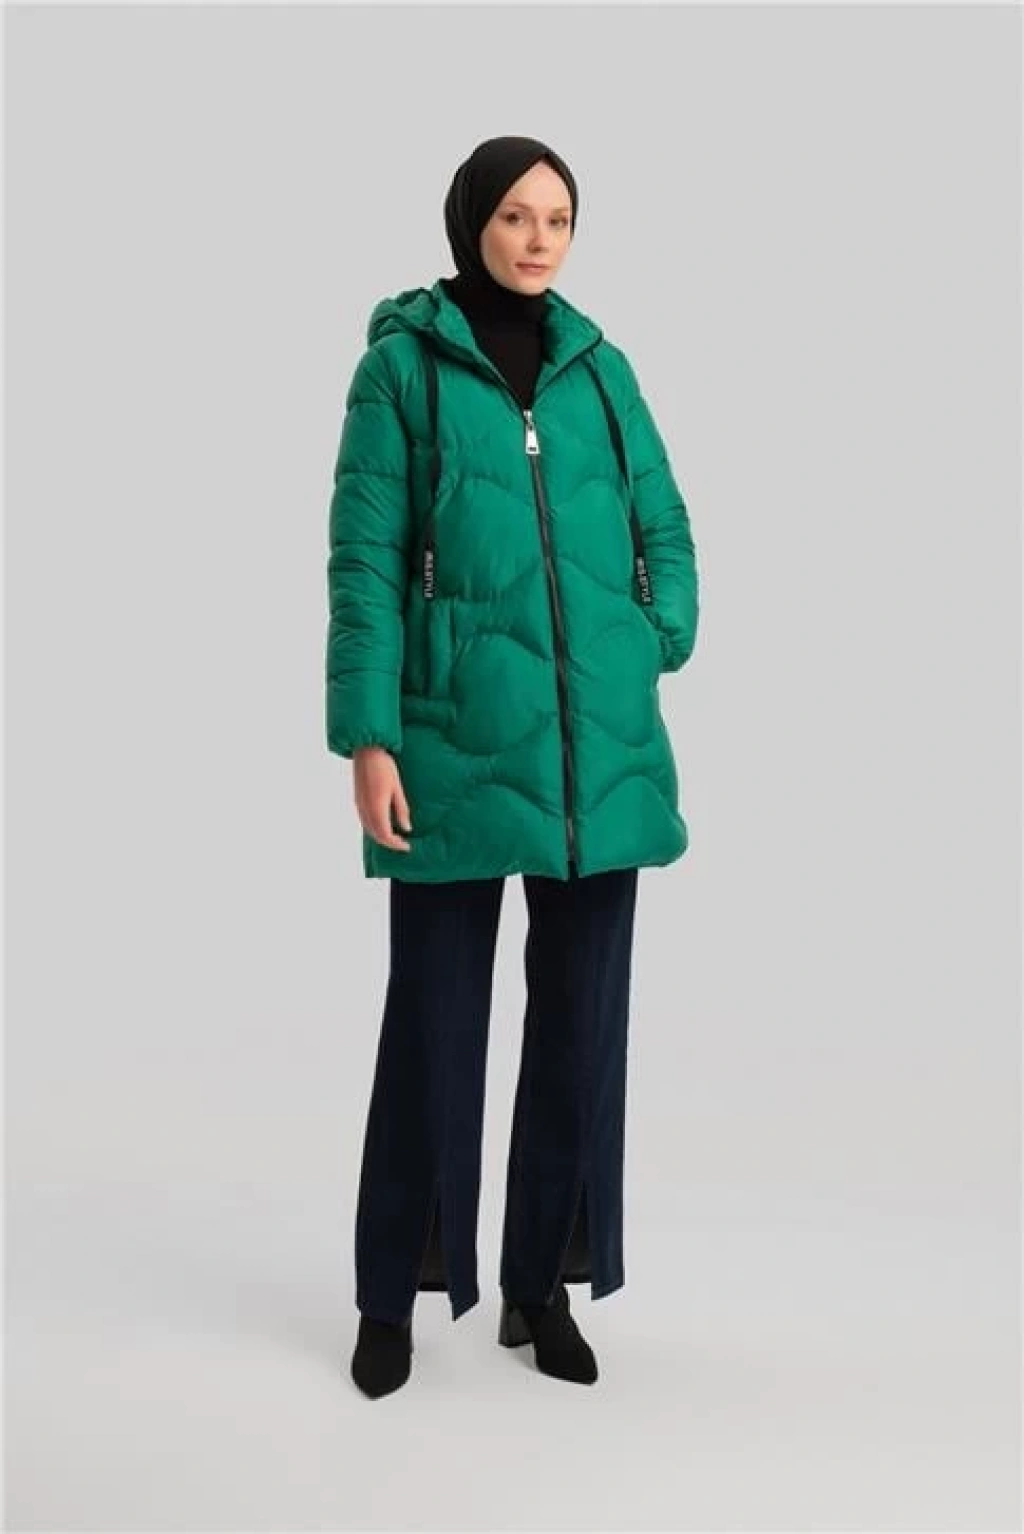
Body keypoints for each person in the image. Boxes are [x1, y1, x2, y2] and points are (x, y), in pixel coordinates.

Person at [324, 135, 700, 1398]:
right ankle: (390, 1295)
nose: (539, 239)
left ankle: (542, 1289)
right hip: (448, 742)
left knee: (582, 1031)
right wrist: (368, 736)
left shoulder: (600, 369)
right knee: (432, 1030)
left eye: (559, 218)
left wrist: (653, 636)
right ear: (470, 222)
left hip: (600, 755)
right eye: (516, 216)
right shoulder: (400, 369)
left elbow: (664, 520)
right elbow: (365, 563)